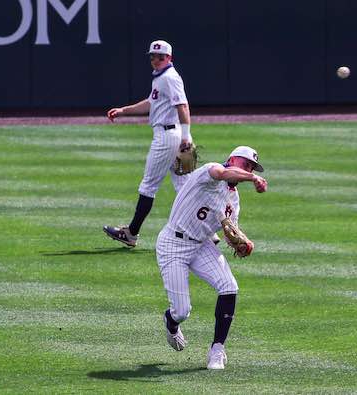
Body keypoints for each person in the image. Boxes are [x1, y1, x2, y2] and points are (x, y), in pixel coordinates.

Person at [156, 146, 267, 370]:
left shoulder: (233, 200)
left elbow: (229, 232)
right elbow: (224, 174)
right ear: (232, 159)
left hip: (202, 245)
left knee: (229, 287)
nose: (249, 170)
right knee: (182, 311)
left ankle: (217, 350)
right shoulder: (211, 171)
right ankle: (171, 320)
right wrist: (252, 177)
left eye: (253, 168)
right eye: (246, 165)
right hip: (173, 243)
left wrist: (242, 243)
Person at [103, 39, 193, 248]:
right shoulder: (162, 78)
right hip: (177, 135)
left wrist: (186, 137)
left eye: (160, 57)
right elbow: (151, 103)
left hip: (169, 137)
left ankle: (131, 233)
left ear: (169, 58)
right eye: (153, 56)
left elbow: (183, 106)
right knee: (186, 186)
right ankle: (206, 234)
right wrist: (124, 111)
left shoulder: (169, 78)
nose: (156, 60)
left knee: (149, 186)